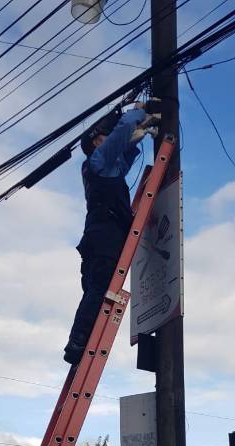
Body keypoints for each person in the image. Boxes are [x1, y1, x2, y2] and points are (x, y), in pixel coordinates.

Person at [64, 100, 161, 365]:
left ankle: (79, 342)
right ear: (97, 141)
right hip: (105, 234)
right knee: (99, 290)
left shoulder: (102, 168)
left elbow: (123, 160)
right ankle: (78, 342)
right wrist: (140, 112)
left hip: (96, 235)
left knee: (94, 290)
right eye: (107, 139)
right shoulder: (98, 160)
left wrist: (136, 140)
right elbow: (125, 127)